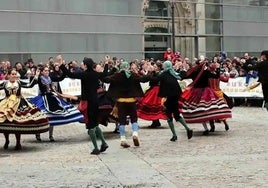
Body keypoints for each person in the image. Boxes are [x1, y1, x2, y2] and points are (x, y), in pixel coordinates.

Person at [59, 55, 110, 155]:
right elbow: (105, 73)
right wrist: (107, 62)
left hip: (87, 102)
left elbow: (70, 74)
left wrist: (61, 64)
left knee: (90, 125)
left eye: (83, 63)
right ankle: (103, 143)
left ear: (86, 65)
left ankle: (96, 148)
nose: (82, 64)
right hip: (96, 101)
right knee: (95, 124)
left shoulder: (83, 74)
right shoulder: (95, 74)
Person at [102, 61, 151, 148]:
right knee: (134, 118)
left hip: (120, 102)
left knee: (122, 121)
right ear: (128, 67)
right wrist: (150, 72)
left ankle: (123, 139)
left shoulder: (116, 75)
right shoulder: (133, 75)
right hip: (131, 101)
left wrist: (105, 67)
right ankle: (135, 133)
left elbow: (106, 79)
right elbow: (143, 80)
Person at [29, 65, 83, 142]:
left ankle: (51, 135)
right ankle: (38, 134)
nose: (47, 72)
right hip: (43, 98)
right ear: (42, 72)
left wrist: (64, 71)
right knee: (40, 116)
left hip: (51, 97)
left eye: (48, 70)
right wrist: (36, 75)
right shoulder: (39, 79)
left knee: (53, 116)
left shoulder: (50, 78)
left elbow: (60, 78)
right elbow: (32, 83)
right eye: (45, 70)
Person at [0, 69, 49, 150]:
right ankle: (7, 140)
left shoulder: (19, 82)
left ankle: (18, 142)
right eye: (12, 74)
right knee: (5, 121)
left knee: (18, 123)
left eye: (15, 74)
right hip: (7, 103)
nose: (14, 76)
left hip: (18, 103)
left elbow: (29, 85)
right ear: (8, 75)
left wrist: (36, 76)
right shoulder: (5, 83)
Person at [180, 60, 232, 135]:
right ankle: (218, 124)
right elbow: (216, 76)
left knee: (200, 110)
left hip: (196, 93)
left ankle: (207, 128)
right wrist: (218, 69)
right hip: (208, 92)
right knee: (211, 107)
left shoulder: (194, 72)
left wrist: (183, 69)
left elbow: (184, 76)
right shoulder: (206, 72)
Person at [153, 61, 193, 141]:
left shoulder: (163, 74)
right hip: (176, 96)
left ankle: (175, 135)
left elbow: (155, 80)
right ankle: (187, 129)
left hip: (170, 97)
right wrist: (183, 69)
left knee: (169, 115)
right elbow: (182, 76)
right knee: (176, 114)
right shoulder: (174, 73)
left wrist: (153, 73)